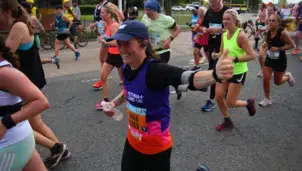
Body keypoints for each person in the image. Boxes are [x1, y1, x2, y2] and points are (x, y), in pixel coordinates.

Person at [103, 20, 234, 171]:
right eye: (119, 43)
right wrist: (113, 103)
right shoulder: (127, 67)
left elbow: (188, 77)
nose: (122, 49)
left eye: (127, 43)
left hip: (156, 149)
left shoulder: (156, 70)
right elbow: (128, 90)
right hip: (133, 143)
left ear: (143, 43)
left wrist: (215, 75)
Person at [1, 0, 70, 169]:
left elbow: (6, 53)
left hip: (24, 82)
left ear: (7, 12)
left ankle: (58, 147)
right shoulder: (20, 25)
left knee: (31, 123)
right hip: (27, 80)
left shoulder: (18, 27)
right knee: (28, 123)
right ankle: (57, 147)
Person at [0, 37, 49, 171]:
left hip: (9, 143)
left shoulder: (5, 73)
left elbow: (41, 102)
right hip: (18, 141)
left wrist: (6, 122)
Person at [214, 9, 256, 131]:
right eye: (224, 19)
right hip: (224, 70)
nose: (225, 21)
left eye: (228, 19)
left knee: (230, 102)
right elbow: (223, 52)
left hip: (238, 72)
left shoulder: (241, 36)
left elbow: (252, 55)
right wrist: (216, 55)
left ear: (235, 21)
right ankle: (227, 121)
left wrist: (235, 59)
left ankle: (248, 103)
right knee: (218, 97)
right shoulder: (223, 35)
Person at [259, 14, 295, 107]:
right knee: (266, 79)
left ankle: (288, 76)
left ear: (278, 22)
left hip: (280, 61)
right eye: (269, 20)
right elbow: (266, 42)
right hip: (270, 59)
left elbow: (291, 45)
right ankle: (267, 99)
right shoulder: (268, 32)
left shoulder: (282, 33)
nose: (270, 22)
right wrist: (264, 46)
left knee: (277, 82)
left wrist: (278, 48)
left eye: (273, 21)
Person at [199, 0, 229, 112]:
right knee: (214, 70)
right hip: (212, 46)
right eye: (210, 2)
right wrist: (205, 30)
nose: (212, 5)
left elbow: (235, 30)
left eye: (214, 2)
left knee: (216, 71)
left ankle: (212, 99)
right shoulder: (209, 11)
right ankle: (221, 93)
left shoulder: (227, 11)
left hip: (226, 47)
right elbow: (202, 26)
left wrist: (219, 30)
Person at [91, 0, 125, 90]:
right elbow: (99, 20)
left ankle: (103, 80)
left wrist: (112, 25)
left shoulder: (109, 5)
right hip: (104, 34)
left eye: (103, 13)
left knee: (106, 57)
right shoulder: (98, 5)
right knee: (110, 58)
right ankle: (120, 79)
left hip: (109, 35)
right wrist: (95, 24)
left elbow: (121, 17)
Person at [95, 5, 123, 110]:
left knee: (126, 81)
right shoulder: (108, 25)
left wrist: (103, 41)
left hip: (119, 56)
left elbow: (117, 42)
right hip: (111, 56)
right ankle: (106, 101)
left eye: (102, 13)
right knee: (103, 76)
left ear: (109, 14)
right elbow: (110, 39)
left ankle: (135, 99)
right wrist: (104, 39)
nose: (100, 14)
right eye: (100, 13)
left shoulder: (114, 26)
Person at [20, 2, 60, 69]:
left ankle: (52, 61)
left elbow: (40, 26)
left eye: (21, 7)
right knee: (34, 59)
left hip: (33, 41)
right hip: (29, 41)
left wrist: (44, 33)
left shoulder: (32, 17)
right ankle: (53, 60)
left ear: (25, 9)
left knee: (34, 60)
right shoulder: (25, 17)